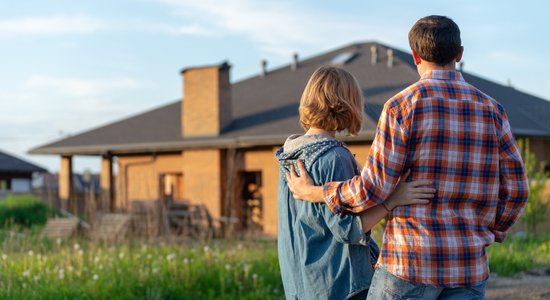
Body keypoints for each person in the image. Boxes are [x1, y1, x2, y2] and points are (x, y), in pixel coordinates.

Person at [286, 16, 529, 299]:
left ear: (415, 56)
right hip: (468, 266)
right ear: (459, 54)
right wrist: (491, 231)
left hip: (409, 264)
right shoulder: (493, 111)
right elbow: (517, 192)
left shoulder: (400, 108)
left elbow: (371, 189)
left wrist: (316, 192)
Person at [276, 65, 435, 300]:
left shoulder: (289, 156)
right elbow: (349, 230)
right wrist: (394, 199)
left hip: (300, 286)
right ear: (347, 103)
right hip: (339, 286)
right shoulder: (334, 157)